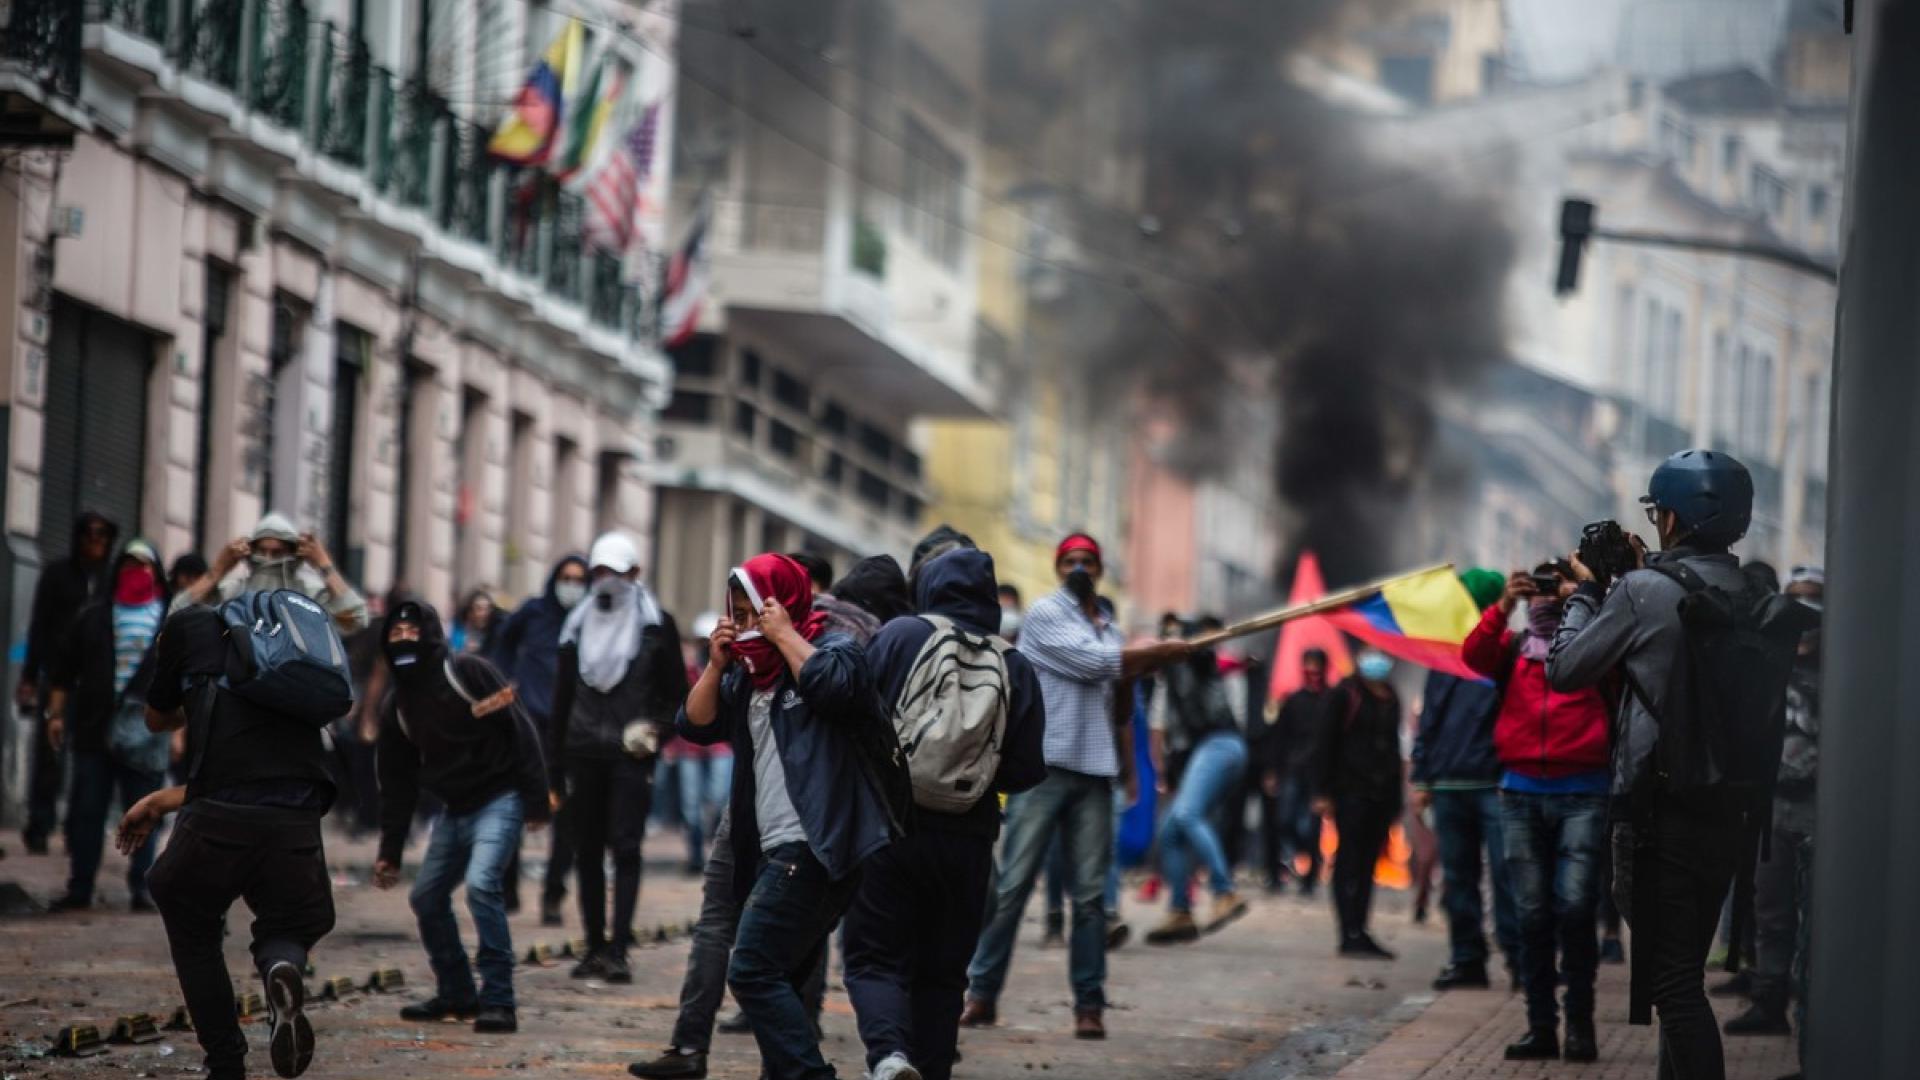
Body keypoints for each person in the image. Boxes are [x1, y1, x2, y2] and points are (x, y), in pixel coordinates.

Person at [1548, 449, 1811, 1080]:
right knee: (1684, 975)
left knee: (1673, 987)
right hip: (1730, 812)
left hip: (1655, 815)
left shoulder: (1642, 592)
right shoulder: (1753, 592)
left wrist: (1586, 592)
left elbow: (1565, 670)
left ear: (1670, 518)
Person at [627, 560, 906, 1080]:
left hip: (817, 843)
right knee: (785, 974)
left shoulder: (835, 649)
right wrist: (715, 664)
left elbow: (834, 688)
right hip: (772, 846)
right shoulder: (748, 674)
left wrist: (785, 635)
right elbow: (695, 723)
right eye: (735, 614)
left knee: (752, 967)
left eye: (752, 612)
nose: (744, 624)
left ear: (783, 606)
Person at [961, 533, 1192, 1040]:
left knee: (1090, 899)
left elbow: (1117, 707)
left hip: (1095, 772)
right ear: (1058, 566)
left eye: (1088, 559)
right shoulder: (1046, 616)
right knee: (1014, 887)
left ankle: (1090, 1004)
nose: (1080, 566)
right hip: (1042, 769)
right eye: (1072, 560)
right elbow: (1094, 664)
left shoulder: (1110, 630)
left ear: (1100, 569)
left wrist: (1138, 670)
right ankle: (982, 994)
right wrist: (1154, 653)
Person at [842, 547, 1048, 1080]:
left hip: (890, 828)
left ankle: (888, 1055)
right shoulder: (1013, 662)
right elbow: (1025, 769)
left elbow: (857, 713)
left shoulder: (901, 635)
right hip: (968, 840)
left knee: (873, 957)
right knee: (943, 974)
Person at [122, 604, 341, 1080]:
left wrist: (193, 691)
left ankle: (225, 1062)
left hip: (221, 816)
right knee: (294, 919)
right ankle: (281, 965)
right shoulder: (289, 650)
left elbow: (156, 719)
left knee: (184, 906)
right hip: (296, 815)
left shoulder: (187, 626)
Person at [374, 599, 551, 1034]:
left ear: (431, 632)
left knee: (481, 885)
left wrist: (535, 801)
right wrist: (390, 851)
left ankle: (498, 1000)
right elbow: (396, 783)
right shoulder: (397, 705)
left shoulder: (469, 672)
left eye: (412, 632)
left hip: (500, 799)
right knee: (426, 898)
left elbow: (520, 729)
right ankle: (456, 993)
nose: (404, 641)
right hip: (454, 811)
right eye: (394, 635)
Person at [1463, 563, 1612, 1062]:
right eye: (1541, 591)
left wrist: (1586, 600)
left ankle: (1581, 1025)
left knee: (1574, 908)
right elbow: (1473, 655)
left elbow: (1623, 657)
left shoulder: (1593, 649)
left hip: (1584, 793)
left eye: (1556, 590)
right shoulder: (1512, 650)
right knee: (1531, 915)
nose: (1547, 599)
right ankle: (1541, 1026)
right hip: (1521, 793)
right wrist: (1502, 604)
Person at [550, 532, 687, 983]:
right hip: (582, 752)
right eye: (599, 573)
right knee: (586, 849)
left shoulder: (655, 625)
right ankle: (593, 945)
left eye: (616, 573)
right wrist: (553, 765)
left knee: (626, 848)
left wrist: (654, 732)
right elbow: (562, 696)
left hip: (631, 758)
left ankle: (620, 949)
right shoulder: (577, 625)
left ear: (634, 575)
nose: (607, 583)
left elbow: (674, 695)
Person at [1724, 566, 1823, 1041]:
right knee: (1771, 912)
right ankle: (1768, 1001)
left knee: (1815, 918)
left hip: (1820, 811)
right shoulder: (1766, 665)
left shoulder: (1843, 673)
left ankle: (1811, 1017)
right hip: (1770, 807)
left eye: (1815, 599)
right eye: (1798, 598)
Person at [44, 538, 169, 912]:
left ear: (155, 572)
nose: (136, 572)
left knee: (146, 811)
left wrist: (179, 731)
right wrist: (56, 715)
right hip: (93, 730)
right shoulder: (95, 615)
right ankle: (80, 887)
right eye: (128, 564)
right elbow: (64, 671)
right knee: (87, 810)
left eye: (143, 565)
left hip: (146, 735)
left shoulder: (169, 617)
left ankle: (142, 887)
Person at [1413, 568, 1519, 992]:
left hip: (1493, 784)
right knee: (1460, 880)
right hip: (1450, 786)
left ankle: (1519, 958)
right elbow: (1431, 720)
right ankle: (1468, 959)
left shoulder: (1508, 650)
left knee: (1505, 876)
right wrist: (1423, 778)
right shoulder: (1444, 655)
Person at [486, 555, 590, 925]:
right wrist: (505, 681)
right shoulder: (533, 612)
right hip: (525, 725)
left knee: (567, 818)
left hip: (568, 733)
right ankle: (508, 886)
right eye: (566, 577)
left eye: (580, 579)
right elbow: (500, 644)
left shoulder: (590, 619)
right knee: (514, 808)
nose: (572, 585)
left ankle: (553, 894)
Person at [1143, 620, 1251, 945]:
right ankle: (1180, 911)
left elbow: (1204, 657)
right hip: (1206, 752)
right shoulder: (1165, 679)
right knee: (1169, 832)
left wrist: (1191, 645)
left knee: (1188, 814)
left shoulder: (1195, 662)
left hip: (1221, 744)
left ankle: (1224, 891)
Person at [16, 511, 118, 855]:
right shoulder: (58, 574)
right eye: (90, 534)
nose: (95, 541)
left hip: (93, 685)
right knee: (50, 755)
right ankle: (40, 824)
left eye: (102, 535)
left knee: (88, 760)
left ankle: (78, 830)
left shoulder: (110, 580)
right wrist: (30, 675)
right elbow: (39, 625)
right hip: (57, 679)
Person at [1310, 647, 1403, 959]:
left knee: (1367, 865)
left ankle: (1360, 929)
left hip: (1381, 795)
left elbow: (1393, 750)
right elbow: (1324, 743)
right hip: (1349, 792)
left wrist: (1396, 799)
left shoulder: (1391, 696)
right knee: (1347, 860)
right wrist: (1322, 792)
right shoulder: (1344, 694)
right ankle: (1347, 930)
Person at [176, 512, 368, 632]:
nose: (268, 558)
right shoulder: (232, 592)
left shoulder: (309, 596)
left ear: (292, 553)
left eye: (277, 553)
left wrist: (324, 565)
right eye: (262, 551)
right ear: (252, 551)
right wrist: (218, 570)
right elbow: (178, 614)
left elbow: (357, 618)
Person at [1260, 648, 1331, 895]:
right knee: (1285, 820)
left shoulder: (1332, 700)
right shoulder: (1294, 700)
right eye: (1308, 664)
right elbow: (1279, 738)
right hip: (1292, 769)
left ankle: (1309, 878)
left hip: (1319, 774)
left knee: (1312, 827)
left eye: (1316, 664)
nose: (1312, 670)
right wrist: (1272, 770)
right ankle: (1294, 860)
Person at [451, 588, 501, 655]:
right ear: (469, 613)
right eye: (479, 608)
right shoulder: (458, 633)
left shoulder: (494, 634)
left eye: (487, 608)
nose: (484, 613)